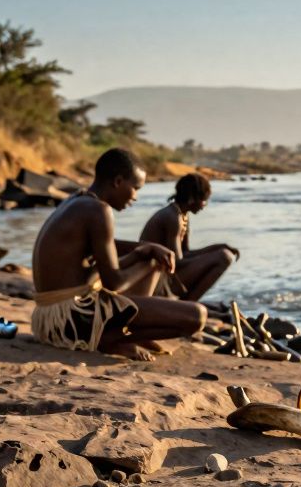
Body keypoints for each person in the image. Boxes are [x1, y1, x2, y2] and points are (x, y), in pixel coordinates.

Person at [30, 148, 207, 361]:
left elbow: (103, 244)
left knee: (151, 260)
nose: (135, 197)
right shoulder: (99, 210)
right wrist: (141, 253)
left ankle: (125, 333)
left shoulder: (78, 199)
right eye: (135, 188)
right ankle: (116, 339)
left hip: (48, 318)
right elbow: (114, 283)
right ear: (118, 181)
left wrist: (146, 249)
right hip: (73, 319)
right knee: (197, 316)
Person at [138, 173, 238, 301]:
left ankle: (187, 305)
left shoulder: (181, 215)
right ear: (192, 198)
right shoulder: (173, 217)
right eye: (204, 200)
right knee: (224, 257)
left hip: (165, 278)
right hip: (154, 283)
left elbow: (185, 253)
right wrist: (216, 253)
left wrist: (217, 247)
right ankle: (188, 305)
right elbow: (177, 263)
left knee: (222, 253)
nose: (204, 205)